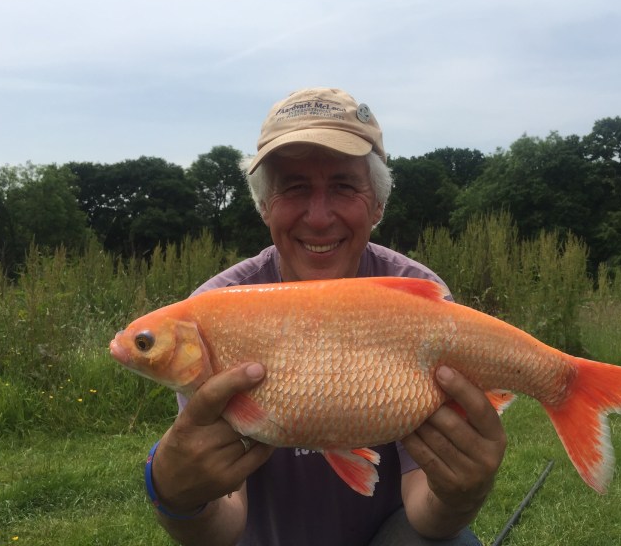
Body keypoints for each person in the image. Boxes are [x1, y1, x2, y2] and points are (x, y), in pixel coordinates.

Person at [147, 87, 507, 545]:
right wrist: (176, 499)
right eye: (294, 188)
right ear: (263, 206)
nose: (318, 218)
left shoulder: (416, 299)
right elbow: (223, 523)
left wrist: (461, 496)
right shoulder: (212, 310)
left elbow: (426, 509)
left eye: (342, 185)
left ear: (377, 205)